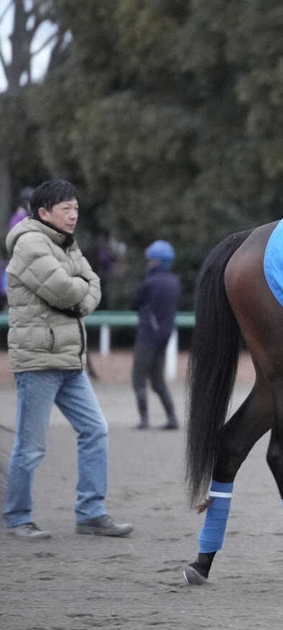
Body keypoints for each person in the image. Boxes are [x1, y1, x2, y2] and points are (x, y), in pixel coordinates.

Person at [3, 179, 133, 540]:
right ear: (44, 213)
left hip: (69, 360)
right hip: (39, 360)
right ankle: (17, 518)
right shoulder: (30, 243)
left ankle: (91, 513)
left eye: (75, 208)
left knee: (95, 430)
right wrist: (80, 295)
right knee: (31, 447)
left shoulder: (67, 243)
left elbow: (92, 283)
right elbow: (65, 290)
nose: (74, 215)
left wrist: (80, 296)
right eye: (66, 209)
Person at [130, 240, 181, 430]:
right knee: (158, 379)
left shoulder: (150, 283)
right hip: (165, 337)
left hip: (147, 336)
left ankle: (144, 419)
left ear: (156, 261)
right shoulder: (174, 282)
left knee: (138, 376)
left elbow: (134, 303)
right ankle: (172, 417)